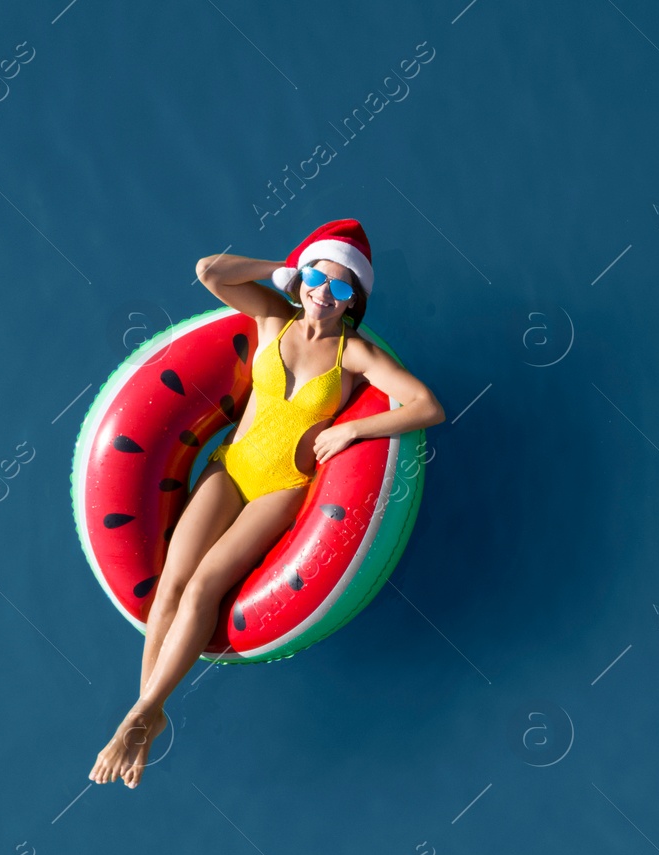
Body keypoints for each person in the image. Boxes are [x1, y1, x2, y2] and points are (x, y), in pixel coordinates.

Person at [88, 219, 445, 789]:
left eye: (341, 288)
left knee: (204, 587)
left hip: (281, 488)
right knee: (173, 582)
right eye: (316, 279)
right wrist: (279, 270)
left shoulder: (353, 354)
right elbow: (209, 271)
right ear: (301, 276)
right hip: (229, 468)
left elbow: (427, 405)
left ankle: (144, 711)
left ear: (356, 300)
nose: (324, 294)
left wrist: (354, 432)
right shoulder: (273, 318)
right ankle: (146, 711)